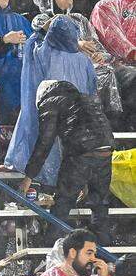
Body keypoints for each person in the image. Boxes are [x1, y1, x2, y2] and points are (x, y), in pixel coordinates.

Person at [5, 16, 98, 194]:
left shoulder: (45, 53)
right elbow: (93, 91)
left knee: (48, 148)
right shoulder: (84, 60)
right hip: (77, 122)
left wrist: (41, 31)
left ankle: (46, 189)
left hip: (50, 116)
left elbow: (30, 46)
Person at [32, 0, 132, 126]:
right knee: (98, 76)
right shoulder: (42, 19)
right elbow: (47, 39)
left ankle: (111, 123)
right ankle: (92, 121)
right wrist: (76, 44)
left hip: (88, 66)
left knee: (110, 72)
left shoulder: (79, 19)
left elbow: (98, 47)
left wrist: (99, 55)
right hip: (60, 70)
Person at [25, 81, 115, 244]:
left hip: (80, 155)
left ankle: (49, 254)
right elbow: (95, 133)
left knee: (62, 207)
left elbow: (45, 142)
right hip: (105, 152)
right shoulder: (85, 98)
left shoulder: (50, 101)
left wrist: (29, 176)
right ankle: (106, 259)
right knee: (100, 208)